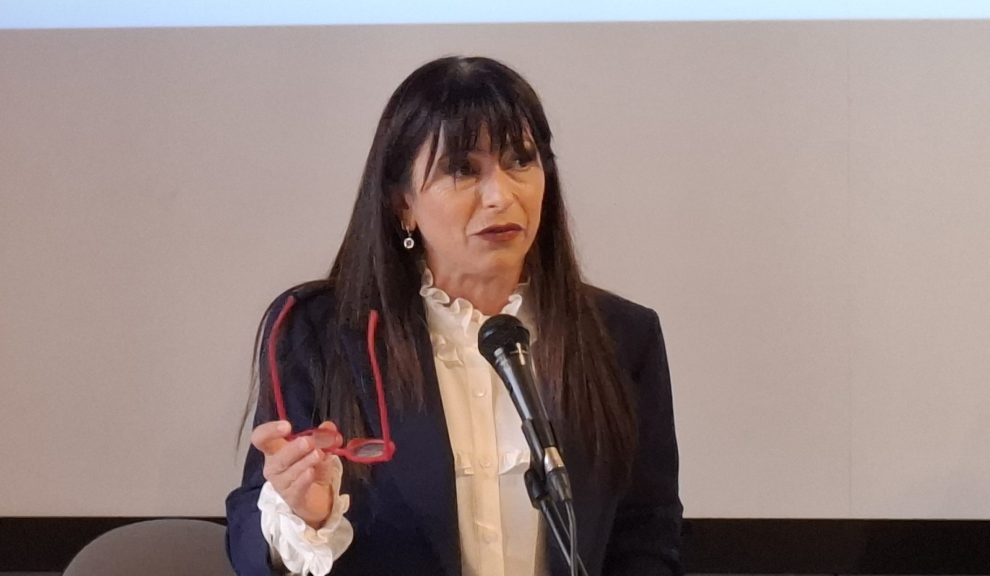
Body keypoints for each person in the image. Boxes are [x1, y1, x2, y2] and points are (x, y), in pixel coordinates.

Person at [225, 55, 683, 576]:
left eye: (521, 161)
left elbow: (647, 536)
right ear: (402, 203)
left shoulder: (622, 336)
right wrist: (301, 517)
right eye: (463, 169)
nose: (501, 195)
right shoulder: (322, 333)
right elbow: (247, 541)